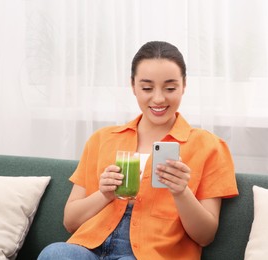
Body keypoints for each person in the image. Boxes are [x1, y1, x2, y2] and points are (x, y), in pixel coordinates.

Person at [38, 41, 238, 260]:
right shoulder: (102, 139)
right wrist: (104, 194)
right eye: (147, 88)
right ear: (133, 85)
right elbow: (70, 221)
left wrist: (182, 192)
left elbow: (205, 236)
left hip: (153, 255)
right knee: (55, 253)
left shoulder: (209, 147)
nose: (159, 98)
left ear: (184, 86)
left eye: (170, 88)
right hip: (90, 248)